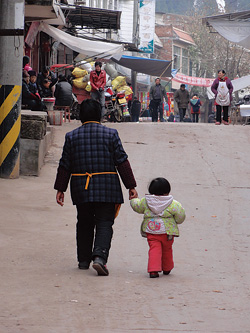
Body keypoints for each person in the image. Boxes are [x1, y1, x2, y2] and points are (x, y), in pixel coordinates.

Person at [54, 99, 137, 276]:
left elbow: (65, 165)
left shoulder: (71, 136)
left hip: (80, 186)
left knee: (84, 222)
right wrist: (131, 185)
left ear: (81, 115)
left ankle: (83, 260)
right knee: (105, 222)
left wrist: (61, 189)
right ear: (100, 115)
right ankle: (99, 257)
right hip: (107, 187)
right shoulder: (111, 134)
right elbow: (121, 160)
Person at [130, 177, 185, 278]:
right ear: (167, 190)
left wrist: (134, 199)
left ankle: (153, 270)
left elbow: (137, 206)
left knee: (154, 249)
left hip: (151, 230)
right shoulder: (173, 203)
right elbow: (180, 216)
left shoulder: (146, 201)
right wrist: (176, 222)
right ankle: (167, 267)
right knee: (167, 249)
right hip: (167, 232)